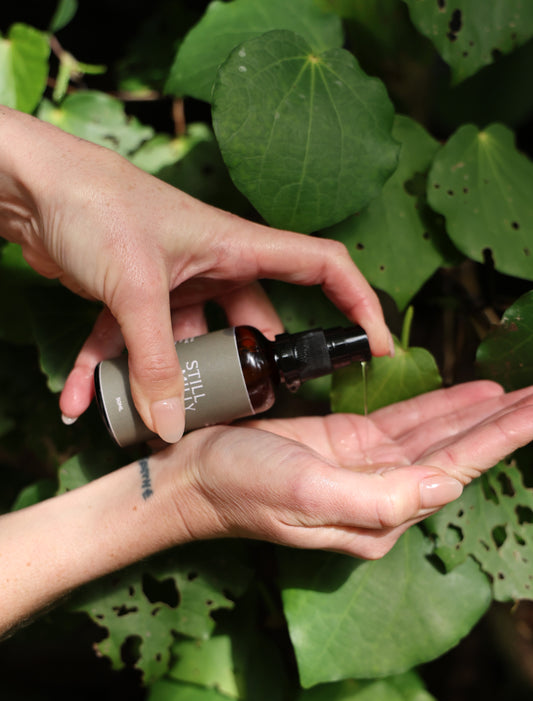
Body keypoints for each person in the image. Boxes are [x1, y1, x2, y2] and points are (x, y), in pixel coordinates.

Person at [2, 105, 533, 638]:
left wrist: (188, 487)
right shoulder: (255, 356)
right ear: (310, 351)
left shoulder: (261, 384)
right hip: (118, 397)